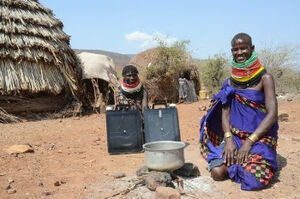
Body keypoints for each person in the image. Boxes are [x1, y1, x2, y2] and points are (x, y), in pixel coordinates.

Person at [199, 33, 278, 190]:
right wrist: (228, 140)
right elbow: (225, 112)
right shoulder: (229, 82)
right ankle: (239, 160)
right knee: (217, 172)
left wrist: (249, 142)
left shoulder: (265, 79)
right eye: (235, 49)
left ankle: (251, 160)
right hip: (235, 136)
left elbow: (272, 114)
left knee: (254, 180)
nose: (239, 53)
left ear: (252, 48)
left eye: (243, 48)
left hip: (260, 137)